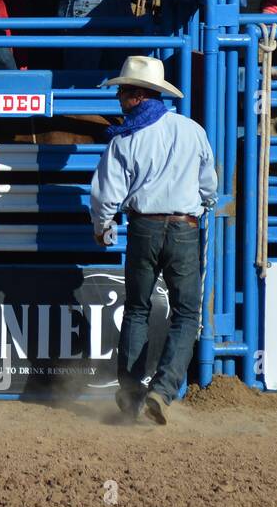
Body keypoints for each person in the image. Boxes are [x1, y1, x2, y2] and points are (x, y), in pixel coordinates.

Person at [90, 56, 217, 425]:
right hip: (184, 227)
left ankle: (131, 395)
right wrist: (202, 204)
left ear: (138, 95)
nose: (119, 96)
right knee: (186, 313)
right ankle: (162, 391)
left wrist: (103, 226)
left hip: (144, 227)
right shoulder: (191, 130)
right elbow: (209, 184)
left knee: (138, 309)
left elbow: (105, 194)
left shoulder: (125, 139)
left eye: (124, 90)